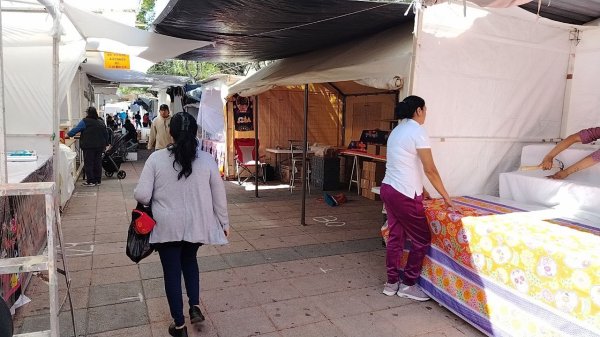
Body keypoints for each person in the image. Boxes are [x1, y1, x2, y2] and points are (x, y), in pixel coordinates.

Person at [134, 112, 229, 337]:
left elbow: (143, 196)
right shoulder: (206, 160)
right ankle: (194, 306)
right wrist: (224, 223)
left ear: (170, 132)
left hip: (166, 227)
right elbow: (219, 196)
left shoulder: (156, 159)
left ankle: (179, 326)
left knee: (172, 273)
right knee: (190, 260)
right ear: (195, 132)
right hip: (197, 225)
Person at [381, 95, 457, 301]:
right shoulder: (417, 131)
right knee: (422, 238)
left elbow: (404, 164)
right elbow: (430, 169)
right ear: (418, 110)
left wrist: (421, 188)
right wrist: (446, 196)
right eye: (425, 110)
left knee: (396, 237)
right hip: (404, 193)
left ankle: (391, 283)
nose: (426, 114)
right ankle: (408, 284)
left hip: (389, 188)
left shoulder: (397, 131)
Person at [67, 107, 108, 186]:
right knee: (97, 162)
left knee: (89, 163)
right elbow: (105, 133)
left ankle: (91, 181)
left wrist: (68, 134)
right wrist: (106, 143)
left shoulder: (85, 121)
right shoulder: (100, 121)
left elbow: (76, 130)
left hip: (89, 146)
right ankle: (97, 180)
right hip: (100, 146)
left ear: (88, 113)